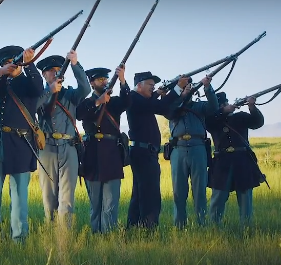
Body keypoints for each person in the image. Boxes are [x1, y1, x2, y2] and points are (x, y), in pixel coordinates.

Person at [0, 45, 43, 242]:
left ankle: (19, 238)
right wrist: (0, 73)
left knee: (19, 196)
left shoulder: (28, 83)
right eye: (6, 63)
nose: (10, 66)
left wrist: (29, 63)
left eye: (13, 62)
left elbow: (38, 88)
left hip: (21, 143)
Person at [126, 72, 189, 229]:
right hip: (144, 153)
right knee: (150, 193)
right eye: (150, 85)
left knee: (140, 193)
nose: (152, 88)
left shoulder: (140, 100)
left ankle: (134, 227)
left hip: (144, 152)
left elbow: (157, 106)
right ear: (139, 85)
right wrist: (177, 88)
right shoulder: (134, 98)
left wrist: (158, 94)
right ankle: (148, 228)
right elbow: (159, 106)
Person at [35, 51, 91, 226]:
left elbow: (86, 89)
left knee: (67, 198)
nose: (55, 73)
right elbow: (32, 107)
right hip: (47, 148)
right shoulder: (40, 94)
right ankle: (51, 235)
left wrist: (75, 64)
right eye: (51, 70)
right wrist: (48, 91)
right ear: (44, 74)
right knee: (49, 198)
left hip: (68, 146)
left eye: (59, 69)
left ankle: (64, 237)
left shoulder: (70, 95)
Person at [76, 66, 131, 234]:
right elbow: (80, 114)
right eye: (100, 79)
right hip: (92, 156)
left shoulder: (114, 103)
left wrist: (122, 80)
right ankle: (95, 234)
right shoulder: (86, 102)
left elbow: (128, 101)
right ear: (92, 83)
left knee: (111, 203)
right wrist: (98, 102)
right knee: (95, 204)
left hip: (112, 156)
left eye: (106, 79)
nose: (104, 82)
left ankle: (109, 235)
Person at [165, 76, 218, 229]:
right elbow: (169, 111)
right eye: (184, 87)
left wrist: (207, 87)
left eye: (189, 87)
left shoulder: (199, 106)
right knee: (178, 191)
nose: (188, 89)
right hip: (178, 149)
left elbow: (213, 107)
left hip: (198, 148)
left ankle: (201, 224)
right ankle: (179, 224)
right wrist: (180, 96)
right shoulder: (173, 106)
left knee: (199, 190)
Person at [206, 92, 265, 228]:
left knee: (245, 198)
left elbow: (258, 122)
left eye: (225, 104)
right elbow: (209, 122)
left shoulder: (240, 117)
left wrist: (252, 106)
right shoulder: (212, 120)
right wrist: (222, 112)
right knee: (218, 197)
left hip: (242, 160)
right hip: (222, 162)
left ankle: (246, 229)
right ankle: (214, 228)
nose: (225, 106)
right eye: (221, 105)